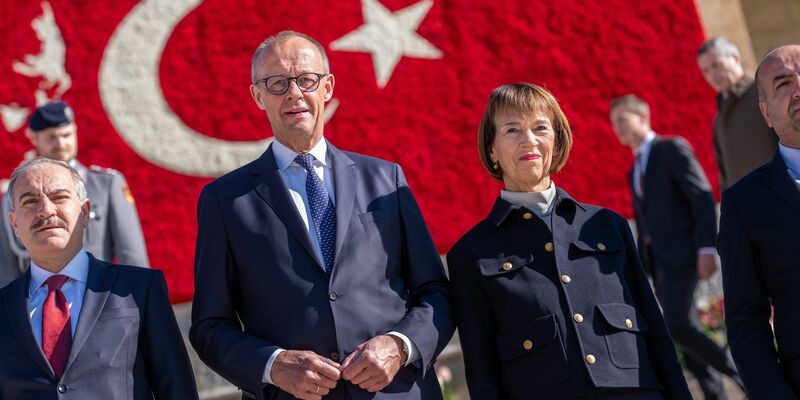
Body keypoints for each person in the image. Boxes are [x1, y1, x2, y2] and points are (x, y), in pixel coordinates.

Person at [190, 31, 453, 400]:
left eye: (306, 80)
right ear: (258, 96)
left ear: (327, 87)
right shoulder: (225, 201)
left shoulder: (386, 180)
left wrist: (399, 345)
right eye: (277, 83)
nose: (295, 93)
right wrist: (273, 364)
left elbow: (435, 292)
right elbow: (209, 327)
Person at [448, 83, 690, 400]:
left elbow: (657, 337)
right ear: (491, 149)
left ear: (556, 140)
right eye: (512, 129)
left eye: (540, 127)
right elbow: (483, 373)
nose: (529, 140)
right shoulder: (471, 253)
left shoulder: (607, 225)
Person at [0, 158, 197, 399]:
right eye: (30, 201)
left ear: (85, 212)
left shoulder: (139, 290)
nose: (46, 210)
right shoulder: (4, 307)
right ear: (14, 224)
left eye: (59, 197)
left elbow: (177, 389)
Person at [610, 94, 743, 399]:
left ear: (642, 117)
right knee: (681, 331)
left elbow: (701, 196)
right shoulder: (635, 170)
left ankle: (746, 376)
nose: (615, 127)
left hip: (685, 256)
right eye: (613, 121)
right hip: (659, 264)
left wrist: (707, 248)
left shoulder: (670, 148)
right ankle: (715, 394)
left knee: (679, 324)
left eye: (621, 119)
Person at [718, 44, 800, 399]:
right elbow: (746, 323)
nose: (799, 89)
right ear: (766, 114)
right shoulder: (743, 204)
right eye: (783, 83)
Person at [0, 100, 150, 288]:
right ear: (34, 138)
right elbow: (6, 268)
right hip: (38, 303)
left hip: (98, 298)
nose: (61, 143)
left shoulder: (106, 185)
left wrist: (139, 304)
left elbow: (132, 255)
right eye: (51, 137)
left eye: (67, 135)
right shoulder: (15, 195)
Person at [697, 37, 778, 192]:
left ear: (735, 58)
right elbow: (725, 178)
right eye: (706, 70)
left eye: (717, 65)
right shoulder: (719, 119)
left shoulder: (765, 92)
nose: (712, 75)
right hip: (751, 213)